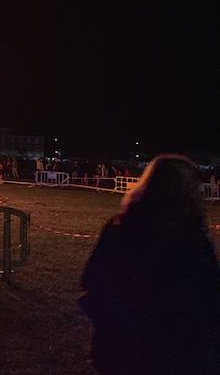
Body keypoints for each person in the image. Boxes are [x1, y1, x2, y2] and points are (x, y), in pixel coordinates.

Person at [79, 154, 220, 374]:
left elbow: (92, 280)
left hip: (121, 348)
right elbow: (205, 298)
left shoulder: (119, 227)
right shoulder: (190, 239)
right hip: (169, 354)